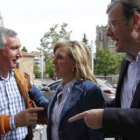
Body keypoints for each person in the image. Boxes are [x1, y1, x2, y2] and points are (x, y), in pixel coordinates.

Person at [68, 0, 140, 140]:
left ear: (135, 21)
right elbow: (126, 105)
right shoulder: (128, 62)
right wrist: (86, 105)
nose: (108, 33)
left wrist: (105, 118)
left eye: (113, 24)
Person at [28, 40, 105, 140]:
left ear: (74, 63)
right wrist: (31, 88)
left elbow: (96, 134)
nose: (53, 62)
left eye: (60, 57)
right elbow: (50, 110)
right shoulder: (60, 88)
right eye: (54, 57)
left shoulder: (89, 90)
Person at [0, 26, 46, 140]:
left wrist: (48, 116)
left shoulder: (19, 76)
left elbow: (27, 107)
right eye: (14, 48)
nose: (20, 54)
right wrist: (13, 121)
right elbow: (18, 119)